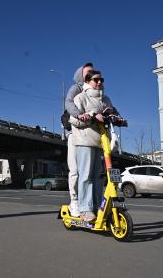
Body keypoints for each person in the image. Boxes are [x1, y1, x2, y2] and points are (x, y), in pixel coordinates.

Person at [69, 70, 115, 222]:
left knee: (98, 177)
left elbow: (112, 114)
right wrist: (93, 116)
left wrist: (118, 119)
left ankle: (97, 207)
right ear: (88, 81)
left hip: (100, 143)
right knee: (86, 176)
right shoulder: (81, 98)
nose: (100, 82)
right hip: (84, 142)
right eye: (96, 80)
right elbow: (74, 121)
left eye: (102, 79)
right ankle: (85, 209)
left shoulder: (105, 99)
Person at [64, 62, 94, 217]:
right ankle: (74, 201)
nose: (91, 74)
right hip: (75, 133)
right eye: (88, 72)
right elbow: (68, 102)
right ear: (80, 75)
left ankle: (89, 203)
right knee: (75, 169)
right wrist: (78, 114)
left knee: (91, 171)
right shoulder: (77, 88)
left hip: (90, 136)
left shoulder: (95, 90)